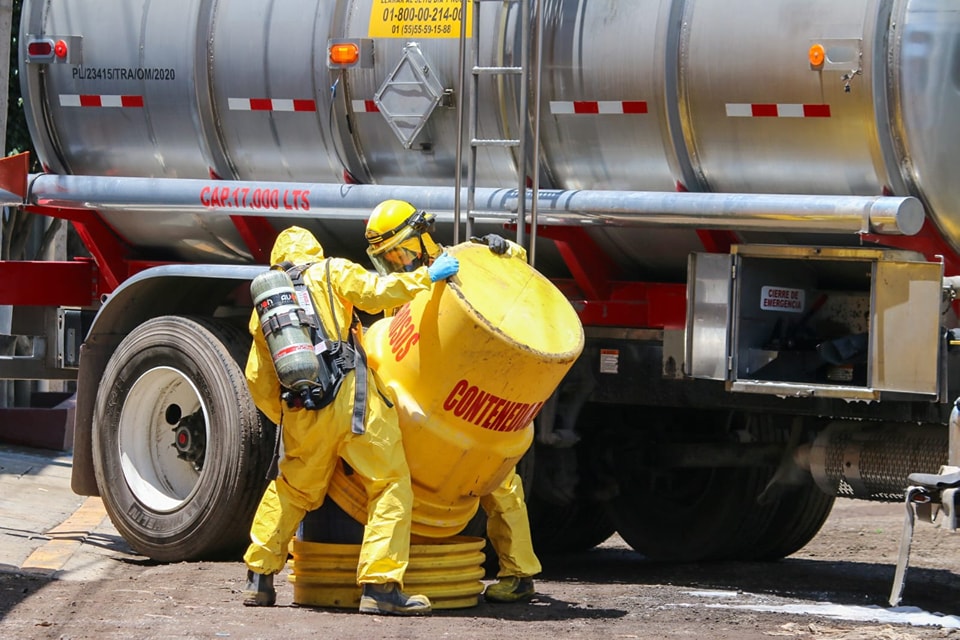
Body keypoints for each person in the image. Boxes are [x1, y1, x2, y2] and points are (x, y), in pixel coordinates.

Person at [242, 225, 460, 615]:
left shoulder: (266, 310)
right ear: (314, 249)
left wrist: (290, 416)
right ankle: (380, 587)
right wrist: (426, 276)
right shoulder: (332, 271)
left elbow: (257, 378)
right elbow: (379, 295)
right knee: (390, 483)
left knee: (292, 489)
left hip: (301, 410)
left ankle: (259, 577)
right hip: (353, 404)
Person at [363, 199, 541, 603]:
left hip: (466, 396)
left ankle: (520, 573)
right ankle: (393, 572)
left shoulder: (460, 264)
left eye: (403, 251)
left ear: (424, 237)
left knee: (500, 482)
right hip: (420, 405)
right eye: (388, 258)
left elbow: (515, 276)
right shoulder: (404, 285)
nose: (399, 262)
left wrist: (505, 250)